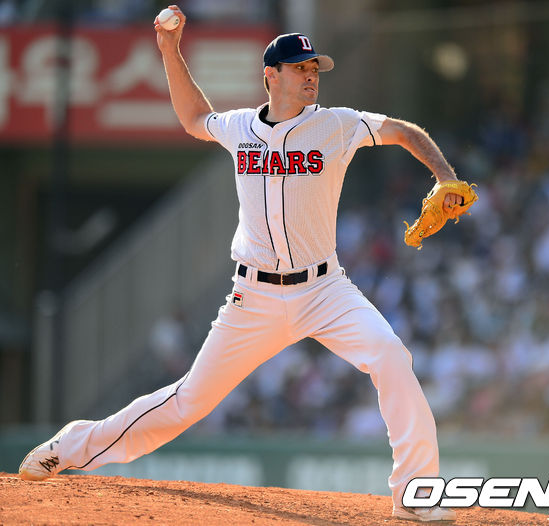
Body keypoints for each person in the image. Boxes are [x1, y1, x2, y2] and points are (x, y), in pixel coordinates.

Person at [20, 5, 463, 522]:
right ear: (271, 75)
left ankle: (415, 494)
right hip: (254, 296)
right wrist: (170, 51)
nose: (311, 76)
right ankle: (71, 447)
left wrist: (445, 175)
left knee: (390, 355)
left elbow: (405, 131)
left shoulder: (338, 125)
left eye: (315, 68)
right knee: (188, 402)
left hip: (325, 290)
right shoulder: (239, 127)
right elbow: (193, 119)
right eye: (300, 68)